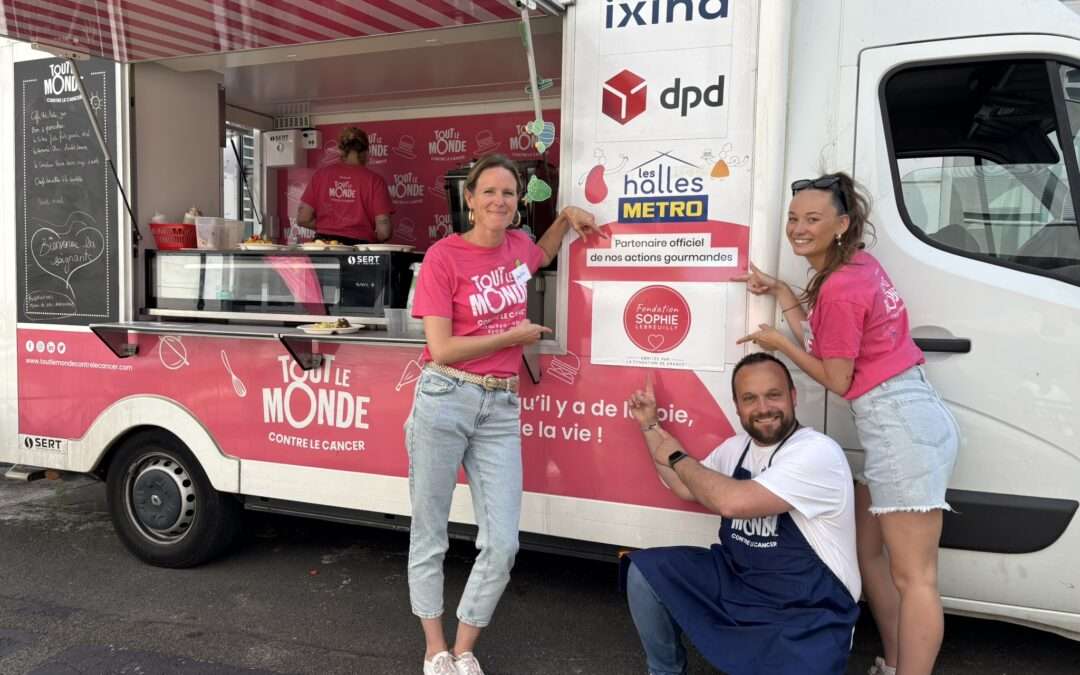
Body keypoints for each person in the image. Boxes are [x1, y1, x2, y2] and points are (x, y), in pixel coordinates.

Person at [735, 173, 960, 675]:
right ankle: (898, 663)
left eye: (812, 219)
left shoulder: (841, 287)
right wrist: (783, 291)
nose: (798, 228)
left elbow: (835, 376)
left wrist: (779, 345)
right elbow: (830, 339)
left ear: (841, 224)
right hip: (908, 415)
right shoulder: (859, 265)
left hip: (900, 426)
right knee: (870, 554)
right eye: (794, 218)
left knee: (916, 578)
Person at [406, 153, 604, 675]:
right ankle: (435, 649)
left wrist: (566, 219)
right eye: (489, 191)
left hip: (499, 404)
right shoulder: (443, 257)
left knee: (503, 541)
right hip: (446, 394)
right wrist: (512, 338)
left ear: (519, 205)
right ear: (469, 199)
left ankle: (465, 646)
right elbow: (442, 349)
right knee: (430, 532)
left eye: (509, 194)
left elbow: (540, 253)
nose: (499, 200)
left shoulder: (517, 246)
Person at [624, 353, 861, 675]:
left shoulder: (817, 452)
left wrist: (678, 455)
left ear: (792, 396)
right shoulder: (736, 448)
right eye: (750, 398)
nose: (763, 408)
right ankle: (664, 671)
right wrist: (650, 427)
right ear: (737, 406)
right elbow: (685, 485)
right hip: (741, 582)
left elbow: (732, 502)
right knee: (647, 573)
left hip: (807, 610)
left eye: (773, 395)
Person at [296, 126, 392, 245]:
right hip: (359, 249)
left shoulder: (321, 175)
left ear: (341, 150)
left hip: (325, 246)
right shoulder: (375, 180)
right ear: (366, 152)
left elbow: (303, 218)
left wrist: (330, 227)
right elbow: (384, 232)